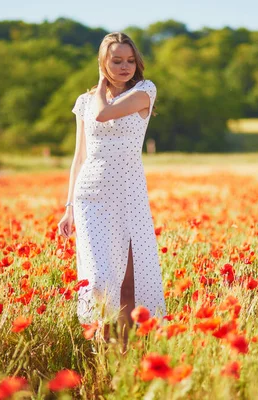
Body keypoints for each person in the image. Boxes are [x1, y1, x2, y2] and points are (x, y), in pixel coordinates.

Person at [57, 32, 166, 346]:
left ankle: (131, 348)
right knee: (101, 279)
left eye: (130, 60)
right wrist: (69, 208)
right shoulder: (84, 102)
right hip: (90, 195)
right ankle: (104, 349)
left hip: (129, 194)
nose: (125, 66)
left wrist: (102, 88)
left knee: (131, 281)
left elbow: (104, 113)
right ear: (103, 61)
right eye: (116, 60)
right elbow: (80, 156)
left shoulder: (145, 91)